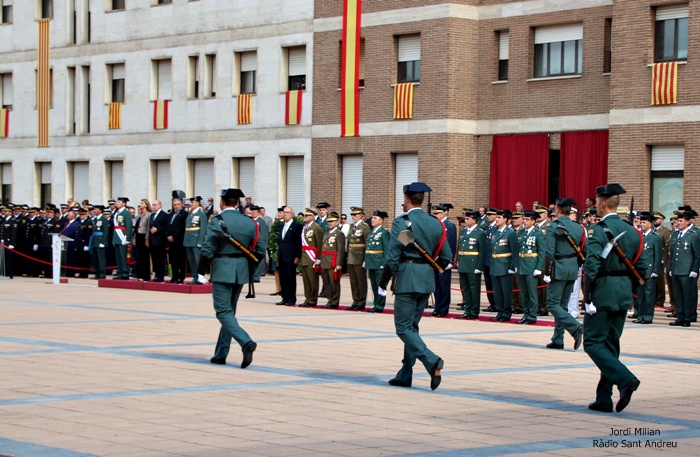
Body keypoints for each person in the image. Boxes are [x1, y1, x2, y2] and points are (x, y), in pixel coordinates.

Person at [378, 182, 452, 390]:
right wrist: (430, 270)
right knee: (412, 327)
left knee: (402, 328)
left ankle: (431, 360)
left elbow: (393, 257)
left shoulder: (402, 222)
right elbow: (446, 256)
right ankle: (405, 374)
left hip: (407, 279)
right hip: (426, 280)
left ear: (407, 199)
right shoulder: (435, 222)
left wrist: (382, 283)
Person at [582, 183, 648, 413]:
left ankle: (626, 379)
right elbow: (642, 266)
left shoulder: (598, 230)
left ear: (602, 204)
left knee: (591, 342)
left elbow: (591, 266)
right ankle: (604, 398)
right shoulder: (634, 231)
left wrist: (587, 296)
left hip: (602, 290)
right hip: (622, 292)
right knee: (610, 344)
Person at [198, 188, 265, 368]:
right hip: (241, 270)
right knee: (230, 313)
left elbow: (207, 247)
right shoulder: (250, 222)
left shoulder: (217, 220)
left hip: (223, 269)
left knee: (222, 311)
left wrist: (200, 271)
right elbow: (259, 250)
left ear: (222, 202)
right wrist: (253, 271)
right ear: (238, 203)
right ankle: (221, 353)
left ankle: (246, 342)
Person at [543, 198, 584, 349]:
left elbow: (549, 251)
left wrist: (547, 271)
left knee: (552, 304)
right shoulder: (578, 227)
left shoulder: (553, 226)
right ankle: (558, 339)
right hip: (572, 267)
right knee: (563, 305)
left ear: (558, 210)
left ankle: (575, 328)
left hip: (558, 267)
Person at [668, 210, 700, 327]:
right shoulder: (676, 235)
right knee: (678, 295)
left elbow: (697, 255)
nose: (678, 223)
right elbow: (672, 254)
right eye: (677, 221)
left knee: (687, 295)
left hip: (687, 270)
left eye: (681, 221)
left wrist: (694, 270)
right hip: (676, 269)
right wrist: (671, 268)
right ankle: (680, 316)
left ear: (687, 222)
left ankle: (687, 317)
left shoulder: (693, 235)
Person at [631, 212, 662, 324]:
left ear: (650, 223)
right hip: (639, 271)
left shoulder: (655, 238)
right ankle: (640, 315)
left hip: (649, 271)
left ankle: (648, 316)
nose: (642, 224)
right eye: (641, 222)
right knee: (640, 295)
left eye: (644, 222)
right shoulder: (640, 236)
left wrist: (655, 271)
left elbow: (657, 256)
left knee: (649, 295)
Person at [515, 211, 545, 324]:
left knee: (532, 293)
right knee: (523, 292)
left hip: (532, 266)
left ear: (533, 221)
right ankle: (526, 313)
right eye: (524, 219)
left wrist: (539, 267)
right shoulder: (521, 232)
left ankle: (532, 316)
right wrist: (516, 265)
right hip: (522, 264)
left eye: (527, 219)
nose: (525, 221)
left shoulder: (538, 234)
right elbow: (518, 250)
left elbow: (542, 252)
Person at [456, 211, 487, 320]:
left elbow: (482, 251)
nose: (465, 221)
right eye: (465, 219)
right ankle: (467, 309)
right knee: (466, 289)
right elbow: (460, 248)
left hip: (473, 264)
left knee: (474, 289)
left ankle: (474, 311)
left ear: (474, 220)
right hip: (464, 263)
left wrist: (479, 266)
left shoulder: (480, 233)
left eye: (468, 219)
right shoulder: (464, 231)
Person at [489, 209, 518, 322]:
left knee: (506, 291)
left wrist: (512, 266)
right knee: (497, 291)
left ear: (505, 219)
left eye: (499, 217)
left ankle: (506, 312)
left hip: (505, 265)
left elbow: (514, 251)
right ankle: (500, 311)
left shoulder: (510, 233)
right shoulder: (495, 232)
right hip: (495, 264)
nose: (496, 219)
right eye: (496, 217)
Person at [431, 204, 457, 317]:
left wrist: (450, 261)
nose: (435, 216)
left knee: (444, 285)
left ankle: (444, 308)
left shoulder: (449, 226)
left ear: (442, 214)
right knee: (436, 285)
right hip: (435, 259)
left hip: (444, 260)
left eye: (437, 214)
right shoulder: (434, 225)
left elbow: (451, 244)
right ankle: (437, 307)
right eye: (434, 214)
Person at [276, 207, 302, 306]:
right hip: (282, 255)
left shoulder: (296, 226)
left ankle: (291, 299)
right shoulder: (282, 226)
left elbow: (298, 242)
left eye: (287, 212)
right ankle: (284, 297)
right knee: (283, 277)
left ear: (292, 214)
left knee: (290, 278)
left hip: (291, 256)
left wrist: (297, 256)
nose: (285, 214)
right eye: (284, 212)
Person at [365, 211, 390, 313]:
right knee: (374, 285)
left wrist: (384, 263)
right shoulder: (371, 232)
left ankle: (380, 305)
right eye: (372, 218)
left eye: (375, 218)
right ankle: (376, 303)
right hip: (371, 262)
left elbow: (387, 249)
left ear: (381, 220)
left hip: (379, 262)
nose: (372, 220)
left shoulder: (384, 232)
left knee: (380, 285)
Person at [299, 208, 324, 307]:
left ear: (313, 216)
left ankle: (313, 299)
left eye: (307, 216)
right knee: (306, 280)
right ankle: (307, 297)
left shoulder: (316, 227)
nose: (305, 217)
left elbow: (319, 243)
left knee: (313, 279)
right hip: (304, 256)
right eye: (305, 216)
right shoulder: (305, 227)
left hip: (312, 257)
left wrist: (318, 259)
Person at [320, 212, 346, 308]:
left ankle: (335, 301)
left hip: (333, 261)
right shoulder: (326, 233)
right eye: (329, 221)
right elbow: (323, 247)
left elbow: (340, 250)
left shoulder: (339, 234)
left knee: (333, 282)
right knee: (326, 282)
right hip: (325, 261)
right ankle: (330, 300)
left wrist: (339, 263)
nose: (330, 223)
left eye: (332, 221)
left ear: (337, 222)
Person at [347, 206, 370, 310]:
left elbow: (367, 243)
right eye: (352, 215)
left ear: (361, 215)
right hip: (351, 256)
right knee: (353, 281)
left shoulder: (364, 227)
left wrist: (366, 258)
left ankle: (361, 301)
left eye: (355, 214)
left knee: (361, 280)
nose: (353, 216)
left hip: (360, 257)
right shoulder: (352, 226)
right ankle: (355, 300)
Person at [184, 196, 208, 285]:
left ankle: (201, 277)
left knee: (198, 260)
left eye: (193, 202)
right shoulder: (190, 213)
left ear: (198, 203)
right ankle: (195, 277)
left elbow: (203, 228)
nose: (191, 204)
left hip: (196, 239)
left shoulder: (201, 214)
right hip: (189, 240)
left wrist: (200, 241)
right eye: (190, 202)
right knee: (191, 260)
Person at [111, 197, 133, 280]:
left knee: (124, 256)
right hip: (117, 237)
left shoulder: (126, 213)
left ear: (124, 203)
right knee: (118, 256)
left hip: (123, 237)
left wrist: (127, 238)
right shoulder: (117, 213)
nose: (117, 203)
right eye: (117, 202)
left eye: (119, 202)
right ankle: (120, 271)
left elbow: (129, 226)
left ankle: (125, 272)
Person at [167, 198, 187, 283]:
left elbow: (181, 226)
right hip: (171, 240)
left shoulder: (184, 214)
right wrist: (168, 235)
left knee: (181, 259)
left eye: (178, 204)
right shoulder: (171, 214)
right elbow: (167, 226)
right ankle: (174, 276)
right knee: (173, 259)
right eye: (174, 205)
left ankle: (181, 276)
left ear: (181, 204)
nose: (176, 206)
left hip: (179, 239)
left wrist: (173, 235)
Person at [149, 200, 169, 282]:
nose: (154, 207)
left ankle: (161, 276)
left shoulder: (164, 215)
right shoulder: (152, 215)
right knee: (154, 259)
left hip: (160, 241)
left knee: (160, 259)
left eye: (155, 205)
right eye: (153, 205)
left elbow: (166, 226)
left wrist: (157, 229)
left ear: (160, 205)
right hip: (152, 240)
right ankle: (156, 275)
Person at [250, 205, 268, 284]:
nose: (253, 213)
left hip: (259, 244)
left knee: (259, 260)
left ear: (258, 213)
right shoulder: (250, 221)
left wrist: (263, 245)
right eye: (252, 212)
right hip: (251, 244)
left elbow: (264, 234)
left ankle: (257, 276)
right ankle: (252, 275)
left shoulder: (261, 222)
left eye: (255, 212)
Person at [73, 208, 93, 278]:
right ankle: (81, 273)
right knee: (79, 259)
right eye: (80, 214)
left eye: (83, 214)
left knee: (85, 260)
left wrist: (87, 245)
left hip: (84, 244)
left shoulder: (88, 223)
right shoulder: (78, 222)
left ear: (86, 214)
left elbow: (88, 234)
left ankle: (84, 274)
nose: (81, 216)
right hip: (78, 244)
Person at [90, 205, 109, 279]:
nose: (94, 210)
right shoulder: (95, 219)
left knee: (101, 258)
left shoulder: (103, 219)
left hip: (100, 241)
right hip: (95, 240)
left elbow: (105, 232)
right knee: (95, 258)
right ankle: (97, 273)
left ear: (100, 211)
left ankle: (102, 273)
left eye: (96, 209)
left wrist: (103, 242)